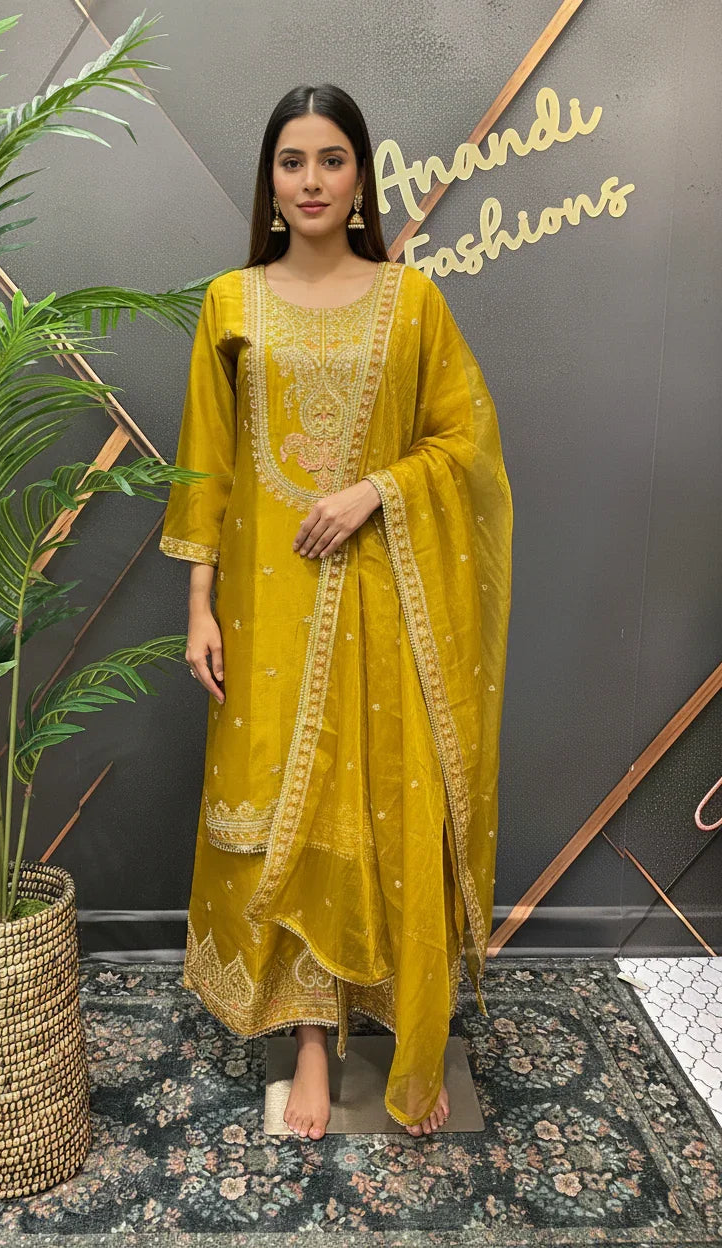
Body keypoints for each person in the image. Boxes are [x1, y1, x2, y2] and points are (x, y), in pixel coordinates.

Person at [159, 83, 513, 1141]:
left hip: (390, 607)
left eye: (331, 160)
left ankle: (398, 1032)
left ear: (362, 175)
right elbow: (206, 469)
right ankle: (310, 1043)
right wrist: (199, 610)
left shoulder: (413, 303)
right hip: (267, 619)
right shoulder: (229, 302)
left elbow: (466, 444)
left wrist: (376, 490)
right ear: (269, 179)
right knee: (290, 826)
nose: (309, 181)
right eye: (290, 162)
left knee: (384, 815)